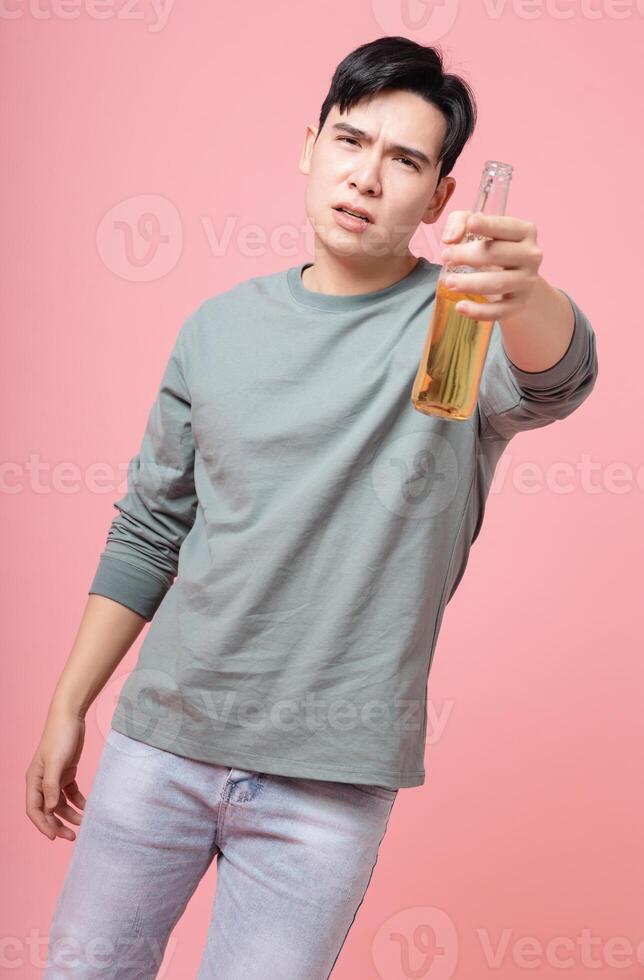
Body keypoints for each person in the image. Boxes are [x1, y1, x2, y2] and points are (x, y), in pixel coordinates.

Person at [28, 35, 598, 979]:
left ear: (442, 198)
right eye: (351, 141)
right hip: (159, 744)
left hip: (327, 786)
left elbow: (559, 381)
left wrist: (527, 291)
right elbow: (149, 529)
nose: (368, 177)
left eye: (405, 160)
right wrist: (67, 705)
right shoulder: (215, 329)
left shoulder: (461, 327)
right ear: (310, 146)